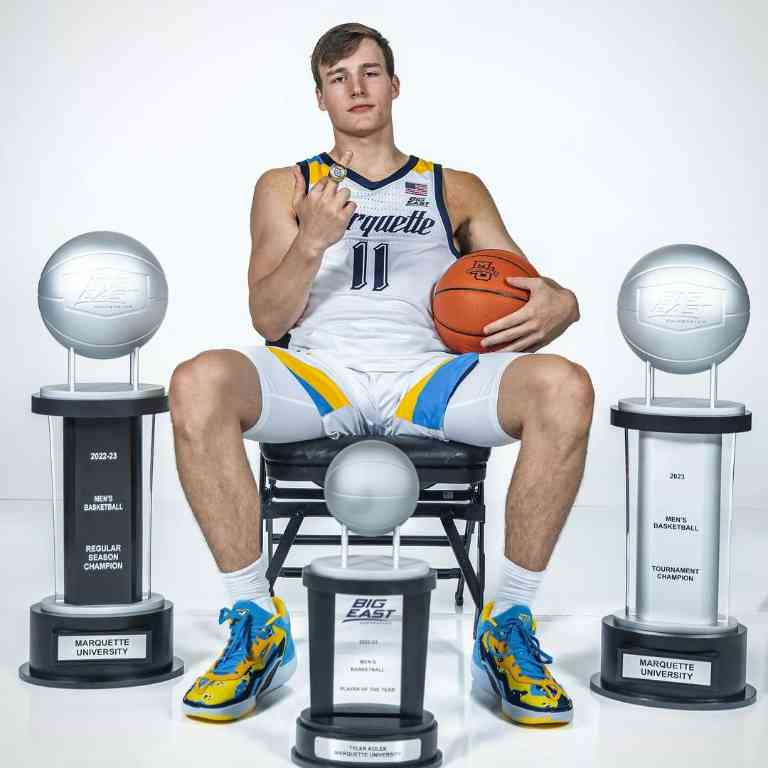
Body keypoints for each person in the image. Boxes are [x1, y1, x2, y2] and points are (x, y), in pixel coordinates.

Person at [171, 22, 594, 725]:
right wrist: (310, 241)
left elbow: (524, 287)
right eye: (339, 78)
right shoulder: (288, 185)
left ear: (394, 85)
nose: (357, 88)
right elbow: (267, 320)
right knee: (195, 380)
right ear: (320, 97)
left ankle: (507, 625)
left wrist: (564, 301)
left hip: (427, 377)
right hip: (317, 376)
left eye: (370, 73)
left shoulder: (453, 188)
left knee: (566, 385)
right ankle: (256, 622)